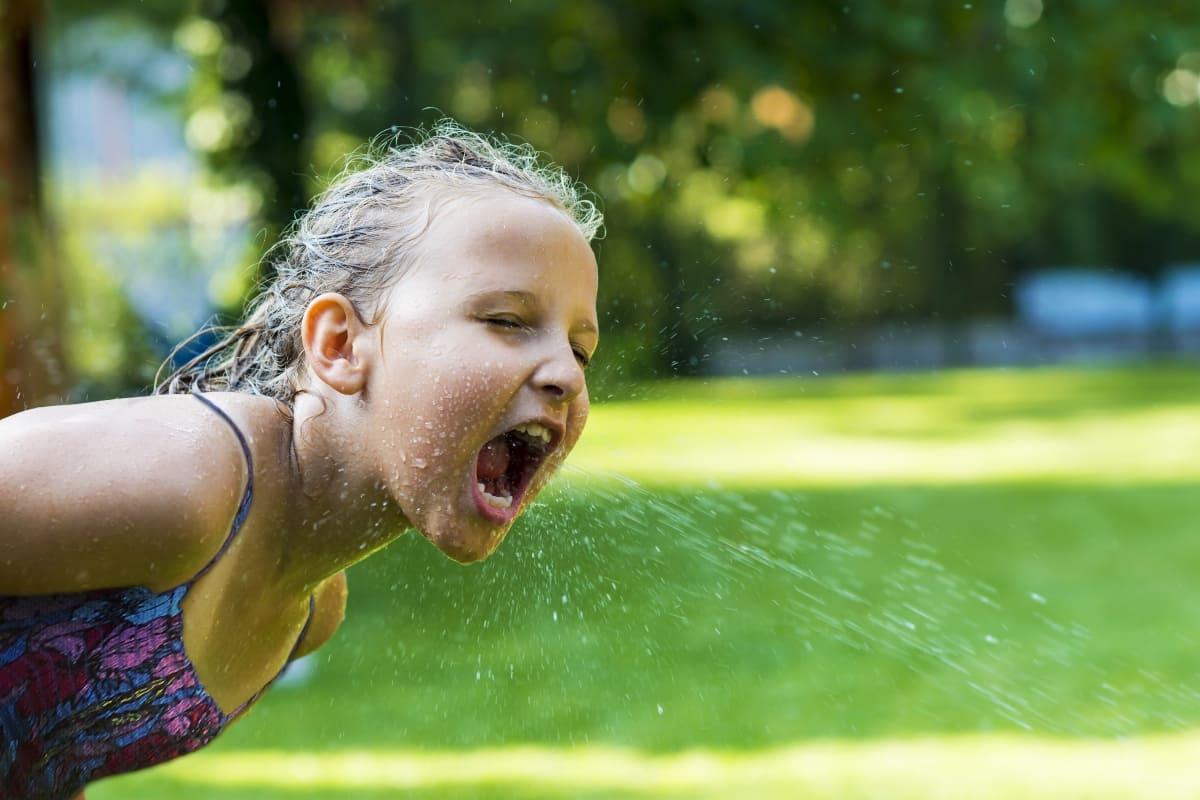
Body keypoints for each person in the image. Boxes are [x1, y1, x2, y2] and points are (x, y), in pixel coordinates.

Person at [0, 120, 602, 799]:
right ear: (341, 345)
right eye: (506, 321)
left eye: (581, 349)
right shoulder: (189, 482)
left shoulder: (308, 612)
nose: (565, 374)